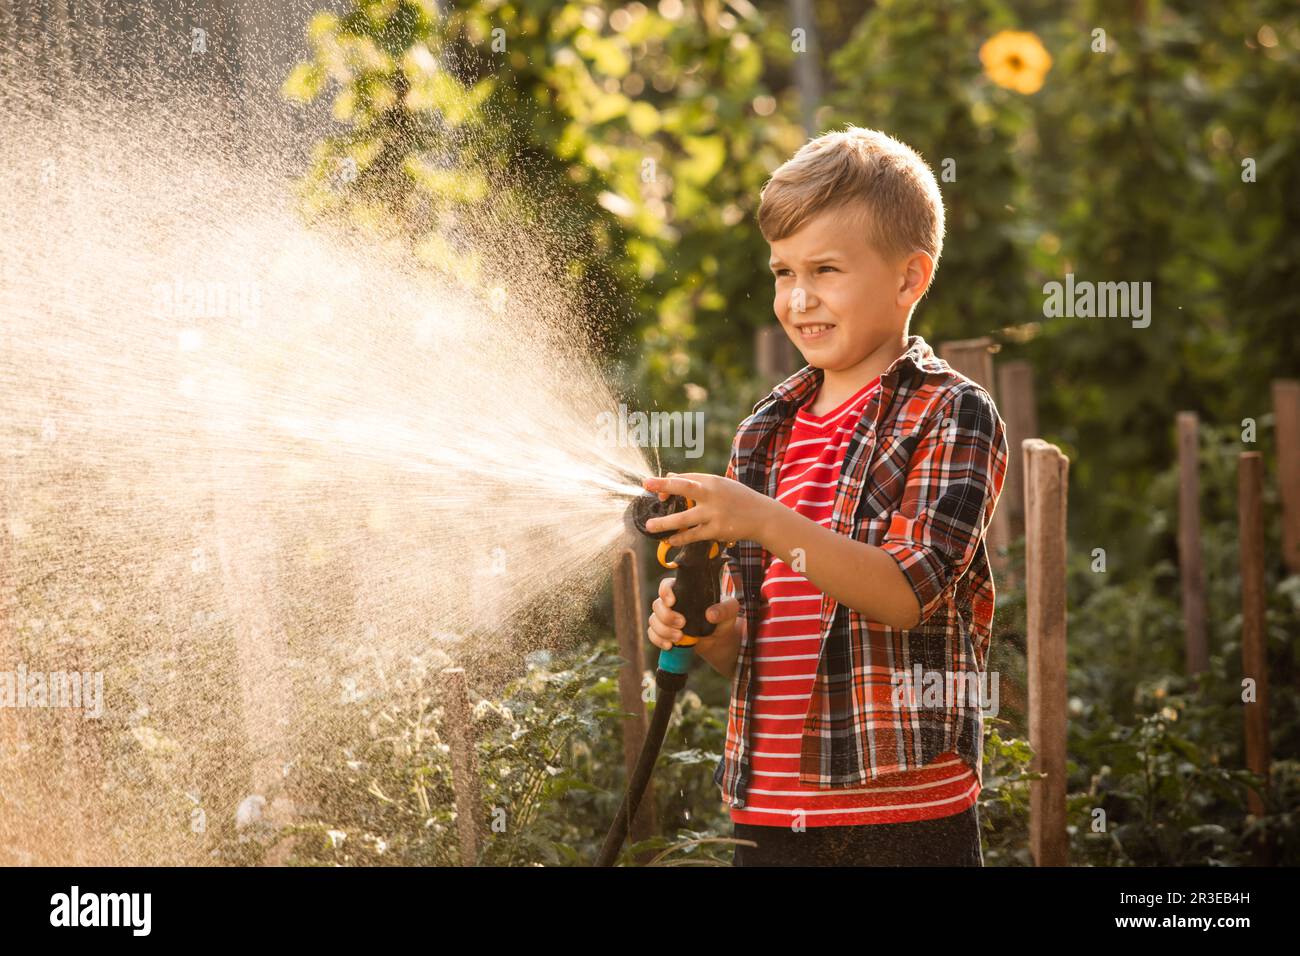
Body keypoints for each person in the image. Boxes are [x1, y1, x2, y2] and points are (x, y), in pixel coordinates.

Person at [644, 126, 1008, 867]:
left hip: (898, 816)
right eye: (782, 272)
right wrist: (711, 634)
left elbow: (906, 592)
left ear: (910, 278)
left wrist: (763, 520)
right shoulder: (765, 433)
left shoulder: (948, 412)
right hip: (768, 809)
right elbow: (757, 639)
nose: (799, 297)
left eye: (827, 269)